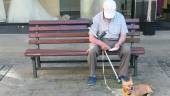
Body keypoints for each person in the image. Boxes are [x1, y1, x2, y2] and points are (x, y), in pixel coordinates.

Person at [87, 0, 130, 86]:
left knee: (127, 50)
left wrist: (119, 43)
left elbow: (123, 35)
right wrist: (102, 44)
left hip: (116, 41)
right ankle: (92, 75)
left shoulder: (120, 17)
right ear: (103, 9)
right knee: (92, 51)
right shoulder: (97, 18)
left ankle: (122, 75)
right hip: (101, 42)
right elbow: (91, 38)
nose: (109, 17)